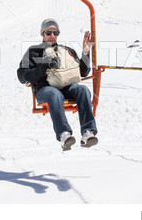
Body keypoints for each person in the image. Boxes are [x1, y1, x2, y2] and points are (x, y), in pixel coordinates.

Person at [17, 18, 98, 151]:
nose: (52, 36)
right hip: (45, 90)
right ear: (42, 34)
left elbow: (83, 72)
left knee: (83, 90)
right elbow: (21, 76)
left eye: (55, 33)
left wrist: (85, 52)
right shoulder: (34, 51)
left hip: (66, 87)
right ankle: (64, 134)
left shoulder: (67, 50)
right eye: (48, 33)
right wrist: (42, 68)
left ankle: (88, 132)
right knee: (55, 94)